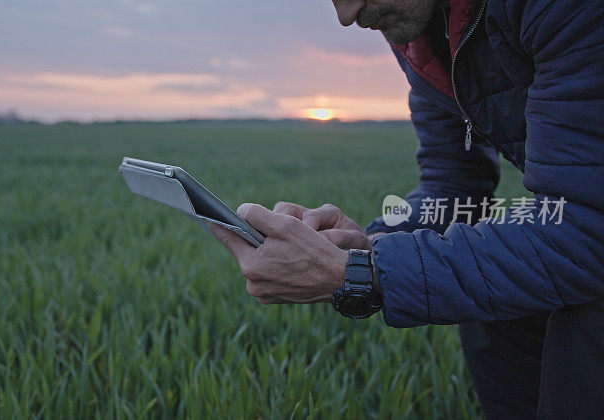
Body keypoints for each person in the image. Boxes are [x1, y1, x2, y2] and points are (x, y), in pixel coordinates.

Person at [210, 0, 604, 418]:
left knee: (581, 333)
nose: (346, 15)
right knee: (497, 312)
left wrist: (359, 274)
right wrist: (365, 245)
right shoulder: (422, 39)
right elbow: (452, 188)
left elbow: (588, 229)